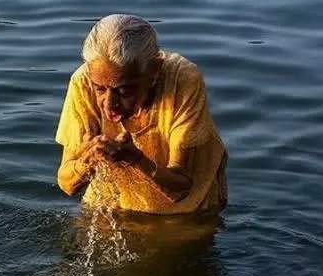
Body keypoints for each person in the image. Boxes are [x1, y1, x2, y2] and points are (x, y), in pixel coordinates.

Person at [55, 14, 227, 214]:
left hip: (185, 212)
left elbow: (180, 189)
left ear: (154, 72)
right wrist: (89, 160)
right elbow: (67, 184)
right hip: (110, 205)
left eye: (124, 91)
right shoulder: (83, 82)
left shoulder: (183, 80)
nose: (109, 104)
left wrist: (137, 160)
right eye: (100, 89)